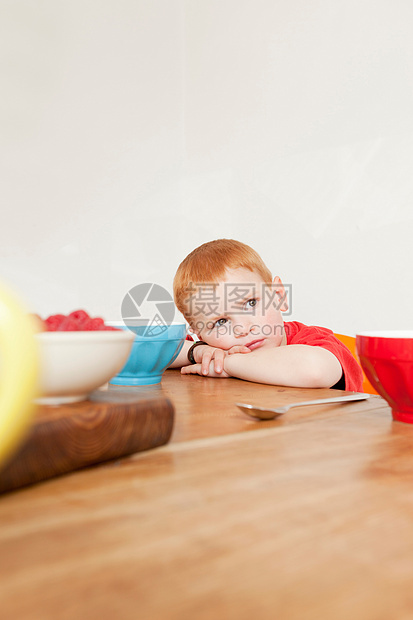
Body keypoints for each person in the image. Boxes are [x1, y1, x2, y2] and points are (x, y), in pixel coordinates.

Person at [170, 239, 363, 391]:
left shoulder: (311, 340)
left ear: (278, 295)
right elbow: (140, 347)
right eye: (220, 322)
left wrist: (227, 364)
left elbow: (315, 370)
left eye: (251, 303)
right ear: (199, 333)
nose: (243, 328)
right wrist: (196, 351)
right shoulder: (208, 350)